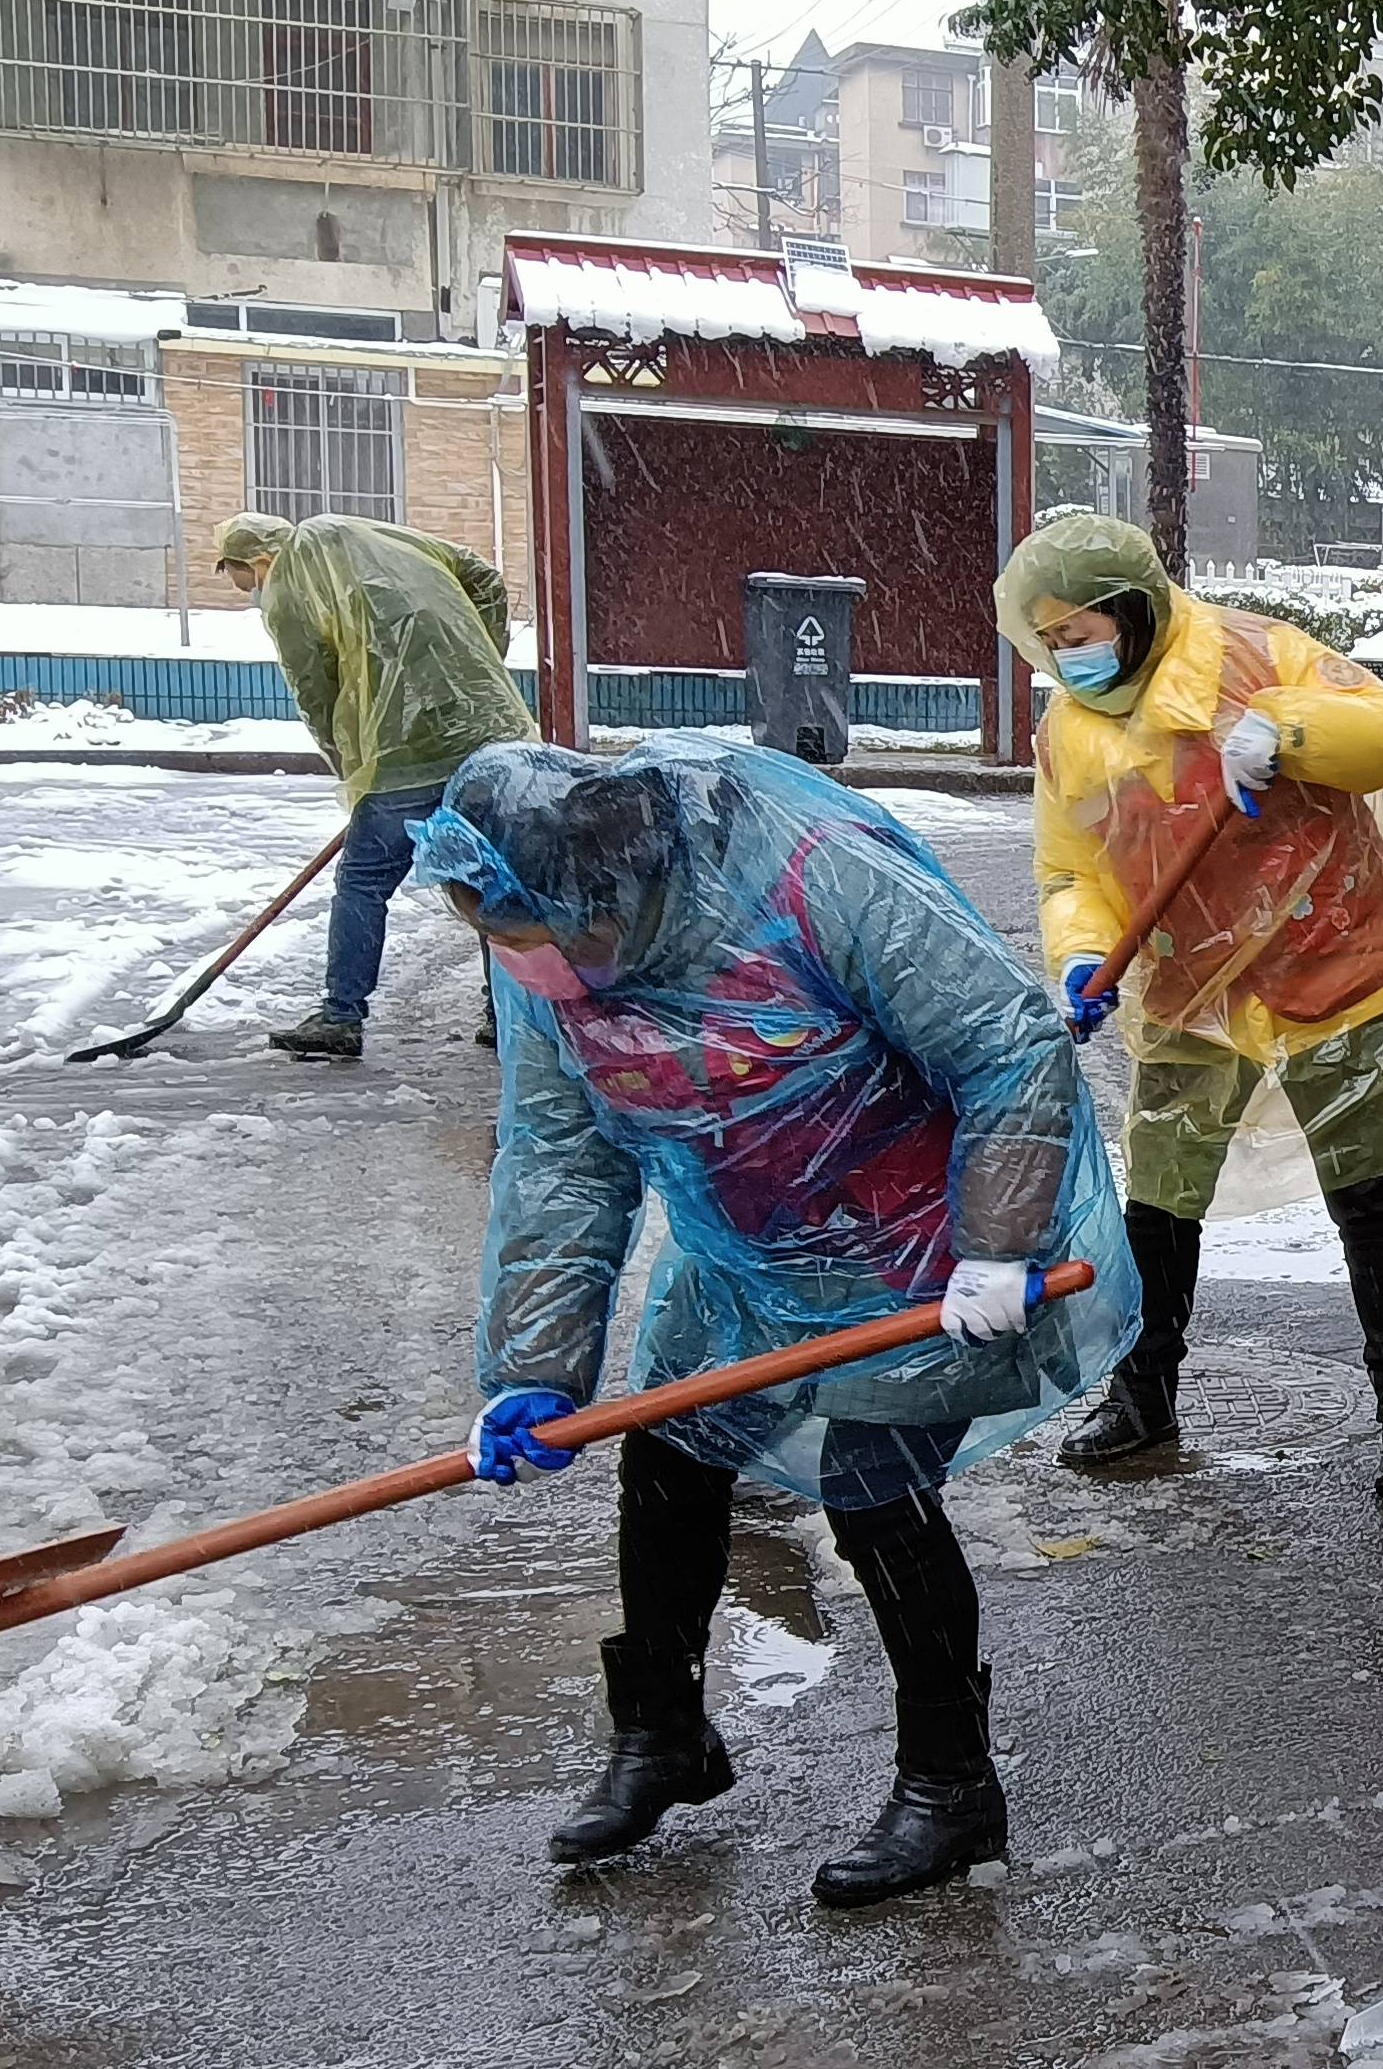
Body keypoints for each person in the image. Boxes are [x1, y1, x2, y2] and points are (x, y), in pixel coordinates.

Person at [420, 734, 1139, 1909]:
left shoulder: (810, 875)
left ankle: (952, 1784)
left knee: (874, 1488)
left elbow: (1004, 1045)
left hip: (906, 1231)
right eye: (505, 947)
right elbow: (561, 1154)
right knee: (669, 1460)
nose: (531, 969)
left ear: (616, 888)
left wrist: (999, 1240)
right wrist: (533, 1365)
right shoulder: (533, 923)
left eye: (543, 940)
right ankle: (663, 1734)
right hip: (741, 1249)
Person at [990, 512, 1383, 1499]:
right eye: (1053, 642)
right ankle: (1143, 1391)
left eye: (1078, 634)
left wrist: (1285, 729)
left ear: (1131, 610)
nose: (1066, 657)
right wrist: (1082, 953)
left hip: (1333, 959)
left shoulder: (1254, 654)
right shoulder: (1068, 732)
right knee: (1160, 1195)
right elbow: (1069, 867)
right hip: (1190, 983)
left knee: (1370, 1196)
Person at [213, 510, 534, 1062]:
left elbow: (314, 690)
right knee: (490, 877)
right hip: (491, 735)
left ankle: (341, 1017)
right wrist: (479, 663)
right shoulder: (372, 536)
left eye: (243, 578)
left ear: (260, 559)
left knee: (363, 881)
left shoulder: (289, 589)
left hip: (405, 753)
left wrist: (350, 765)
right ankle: (506, 1015)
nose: (250, 590)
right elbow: (483, 576)